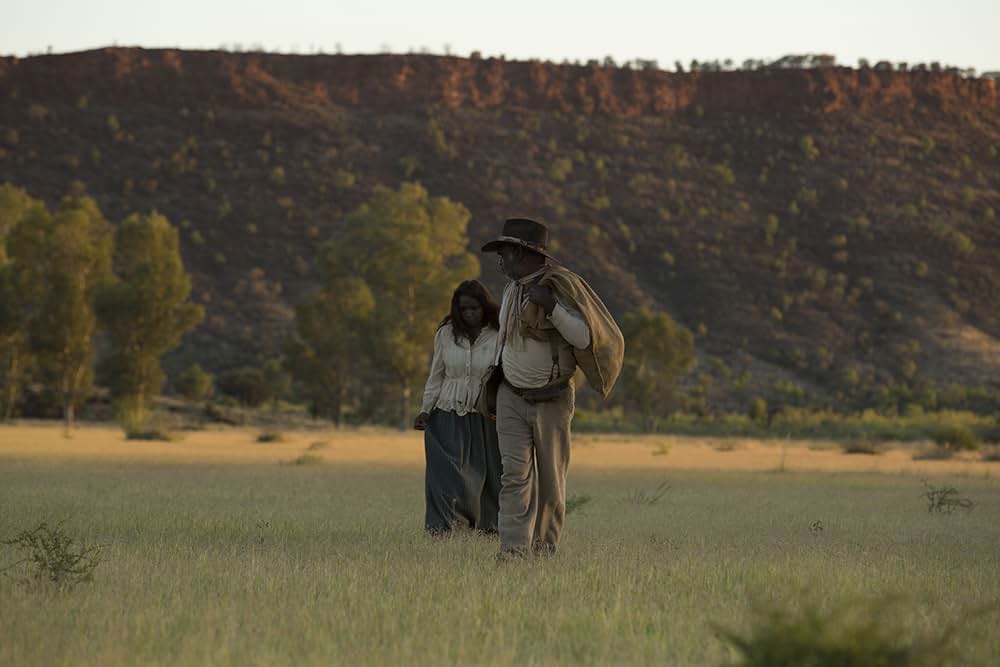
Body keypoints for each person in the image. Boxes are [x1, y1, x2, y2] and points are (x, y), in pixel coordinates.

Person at [480, 218, 624, 559]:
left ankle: (545, 550)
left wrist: (552, 306)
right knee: (514, 477)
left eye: (505, 251)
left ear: (521, 252)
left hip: (551, 400)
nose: (500, 259)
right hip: (511, 395)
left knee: (550, 483)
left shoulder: (560, 286)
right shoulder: (511, 290)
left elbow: (584, 337)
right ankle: (512, 551)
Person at [415, 280, 503, 534]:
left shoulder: (499, 334)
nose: (469, 314)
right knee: (446, 475)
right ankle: (445, 529)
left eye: (474, 308)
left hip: (485, 414)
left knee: (488, 475)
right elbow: (436, 375)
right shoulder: (445, 333)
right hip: (447, 412)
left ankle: (490, 528)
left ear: (484, 307)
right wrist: (425, 409)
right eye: (463, 309)